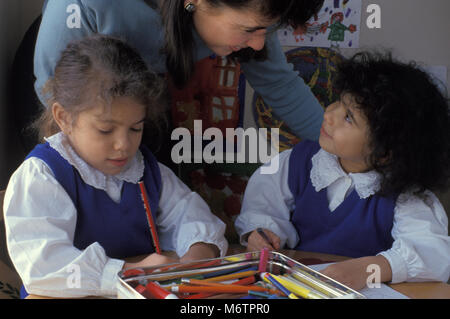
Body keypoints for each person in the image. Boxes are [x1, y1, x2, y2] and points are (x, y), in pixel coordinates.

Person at [3, 35, 228, 298]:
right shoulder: (42, 176)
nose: (123, 145)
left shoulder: (147, 172)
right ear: (64, 118)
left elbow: (192, 217)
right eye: (105, 129)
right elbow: (45, 267)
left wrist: (195, 256)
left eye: (136, 128)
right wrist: (128, 271)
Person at [235, 52, 450, 290]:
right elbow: (264, 204)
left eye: (348, 117)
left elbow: (433, 254)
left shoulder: (404, 194)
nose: (328, 114)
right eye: (339, 101)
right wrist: (263, 233)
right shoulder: (298, 161)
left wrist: (371, 269)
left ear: (384, 152)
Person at [32, 0, 325, 154]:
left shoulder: (252, 14)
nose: (260, 43)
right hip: (62, 87)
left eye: (265, 30)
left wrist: (343, 144)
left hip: (138, 93)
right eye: (249, 30)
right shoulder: (87, 5)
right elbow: (53, 90)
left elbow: (281, 84)